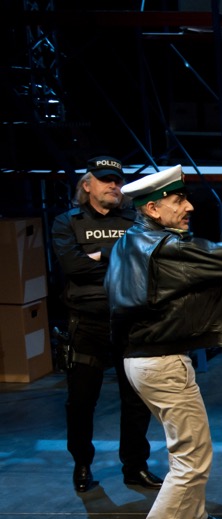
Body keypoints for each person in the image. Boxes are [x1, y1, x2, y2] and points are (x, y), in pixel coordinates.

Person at [105, 165, 222, 519]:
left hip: (144, 359)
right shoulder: (166, 248)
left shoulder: (129, 240)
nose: (188, 207)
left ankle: (192, 517)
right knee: (192, 457)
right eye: (178, 200)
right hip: (162, 362)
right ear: (152, 208)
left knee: (188, 446)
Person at [50, 156, 161, 493]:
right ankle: (82, 464)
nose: (114, 185)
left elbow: (146, 260)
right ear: (87, 185)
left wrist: (98, 255)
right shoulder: (67, 222)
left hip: (130, 321)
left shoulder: (134, 219)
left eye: (117, 180)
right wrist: (117, 255)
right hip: (87, 324)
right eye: (105, 180)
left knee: (136, 400)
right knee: (81, 402)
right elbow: (73, 267)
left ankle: (135, 466)